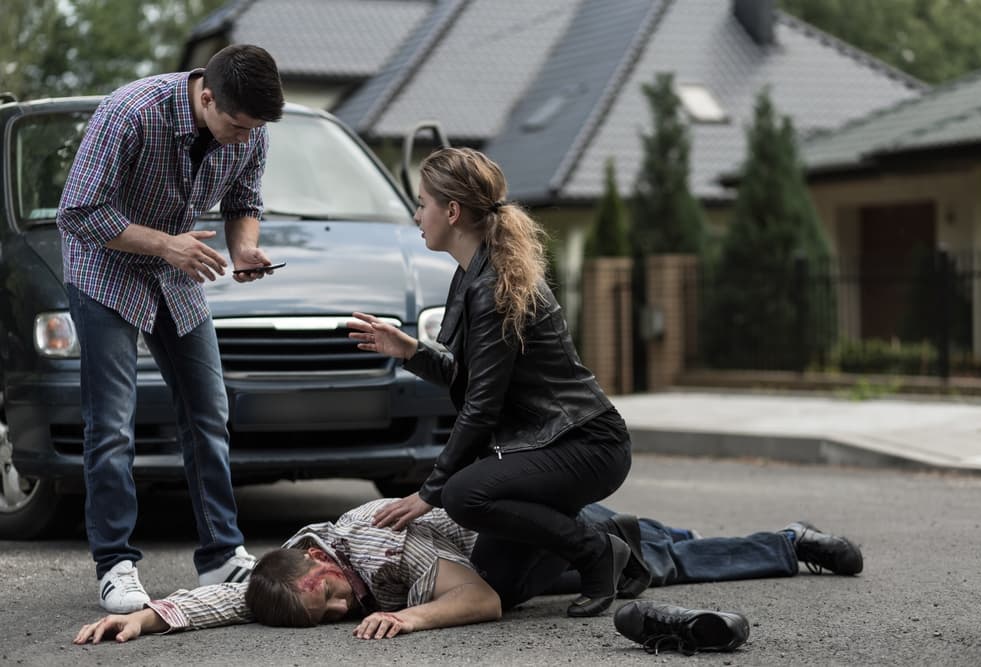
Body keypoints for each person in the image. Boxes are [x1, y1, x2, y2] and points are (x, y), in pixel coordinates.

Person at [347, 147, 633, 617]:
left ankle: (595, 551)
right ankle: (622, 545)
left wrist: (428, 492)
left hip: (585, 444)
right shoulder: (470, 276)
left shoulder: (493, 285)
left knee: (464, 494)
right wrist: (410, 351)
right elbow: (472, 378)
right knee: (500, 586)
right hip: (545, 446)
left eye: (422, 203)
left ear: (452, 211)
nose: (417, 215)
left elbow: (482, 405)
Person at [56, 43, 285, 614]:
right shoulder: (131, 112)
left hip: (175, 266)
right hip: (103, 266)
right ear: (206, 97)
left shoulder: (248, 127)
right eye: (236, 126)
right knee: (112, 423)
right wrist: (165, 244)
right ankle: (115, 564)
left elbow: (243, 198)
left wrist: (247, 250)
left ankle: (220, 555)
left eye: (252, 129)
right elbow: (78, 211)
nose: (243, 137)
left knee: (209, 410)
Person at [72, 498, 862, 644]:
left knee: (660, 557)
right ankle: (772, 539)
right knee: (653, 541)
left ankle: (789, 542)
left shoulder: (377, 548)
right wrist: (144, 616)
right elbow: (228, 596)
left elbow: (478, 600)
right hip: (520, 554)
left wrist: (411, 616)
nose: (342, 608)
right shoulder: (292, 569)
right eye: (326, 617)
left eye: (329, 597)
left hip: (513, 552)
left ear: (319, 560)